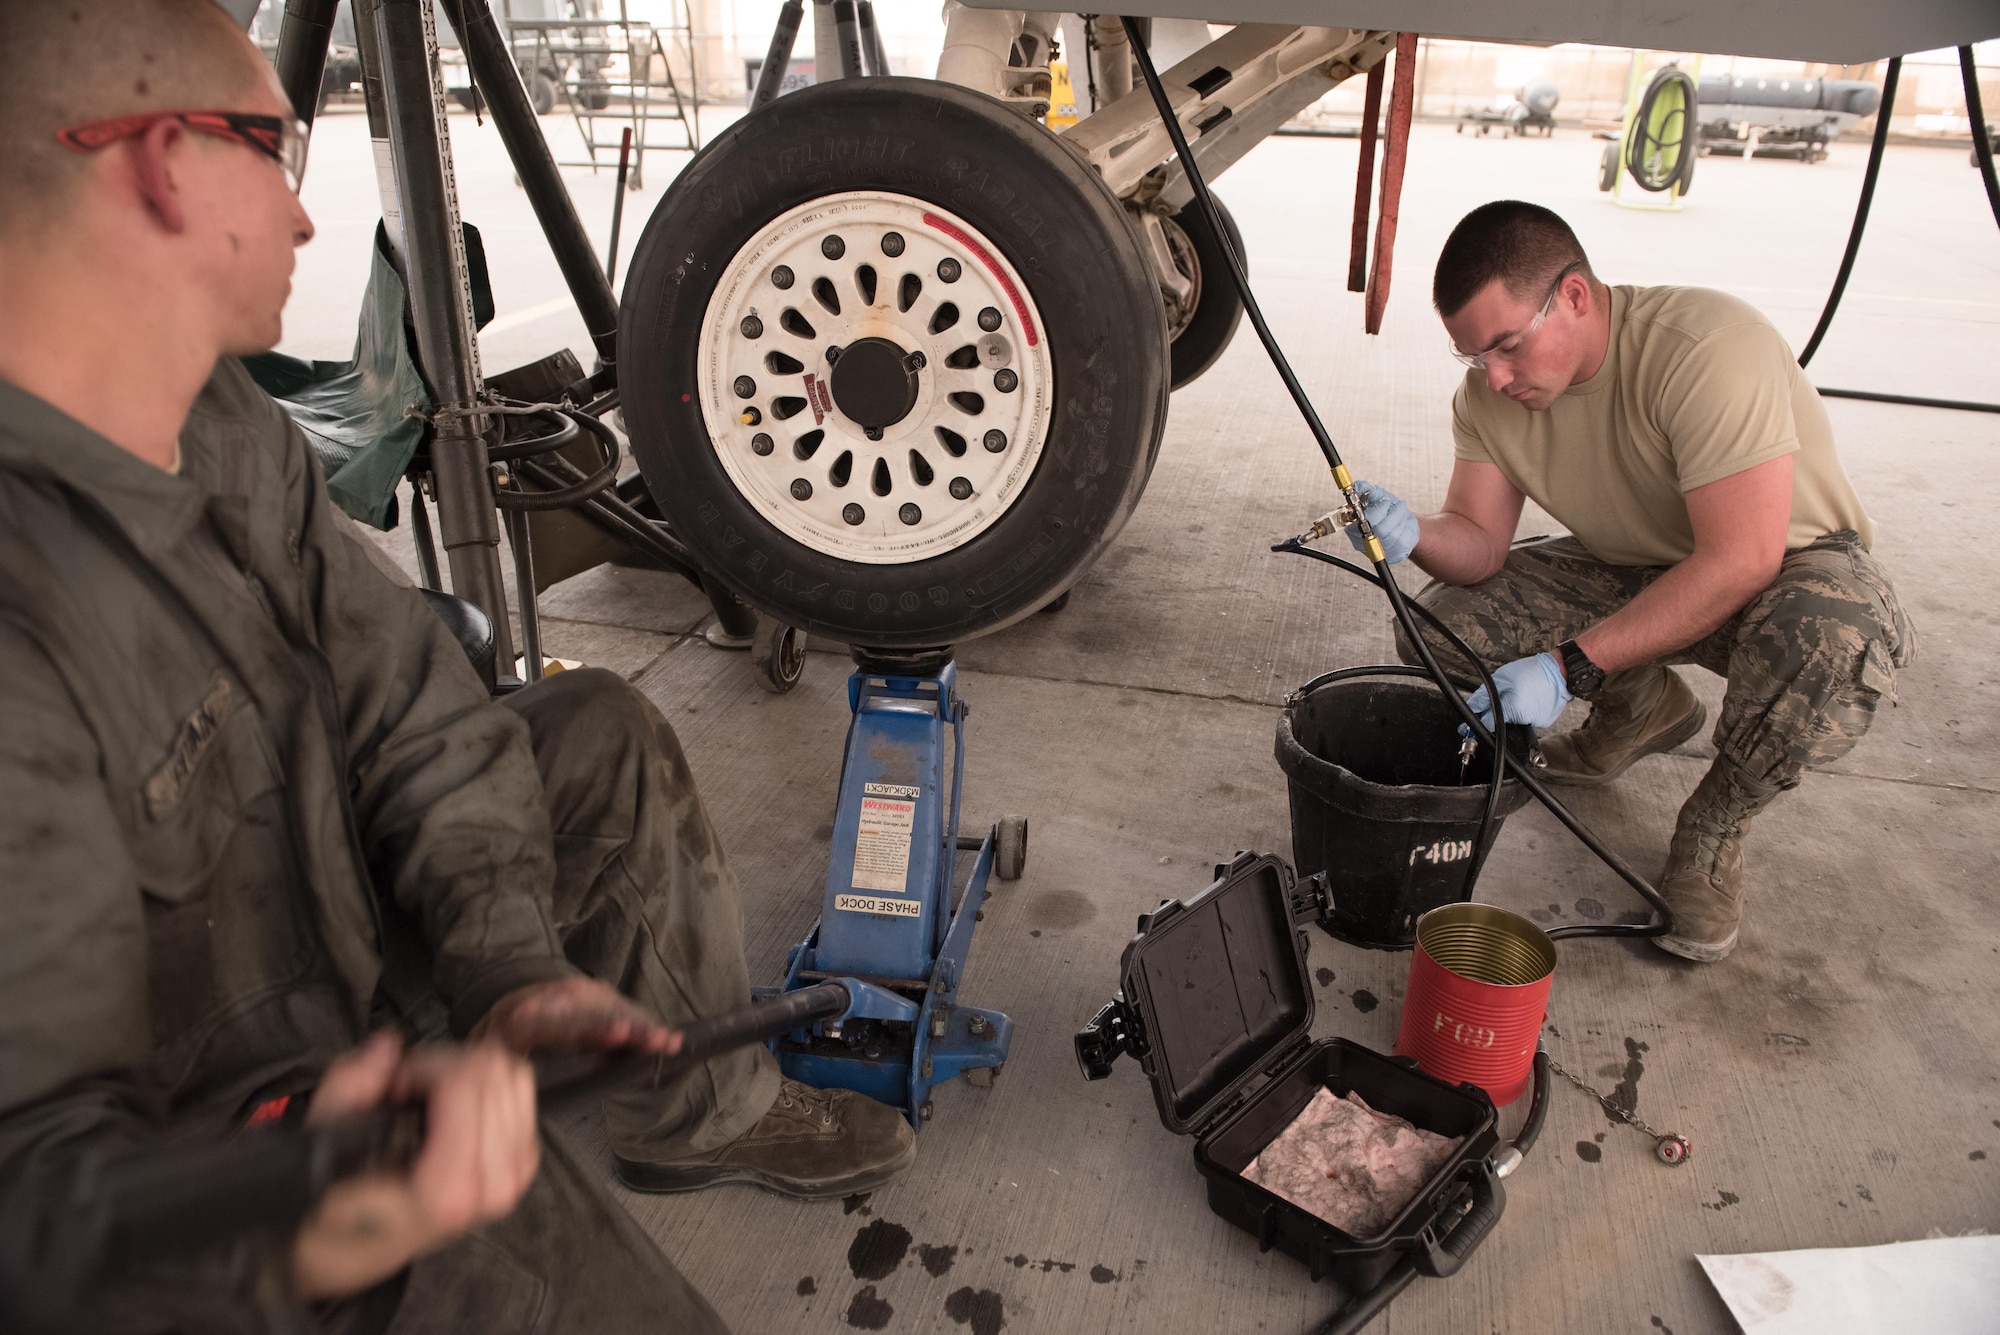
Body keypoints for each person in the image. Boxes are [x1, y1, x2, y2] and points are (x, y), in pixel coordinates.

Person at [0, 2, 913, 1330]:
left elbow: (409, 703)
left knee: (591, 728)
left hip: (343, 928)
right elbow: (40, 1199)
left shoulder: (218, 424)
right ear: (161, 160)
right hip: (240, 1160)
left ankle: (694, 1114)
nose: (307, 218)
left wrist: (513, 968)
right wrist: (321, 1218)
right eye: (277, 147)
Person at [1343, 200, 1914, 963]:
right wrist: (1410, 533)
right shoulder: (1490, 396)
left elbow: (1741, 559)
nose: (1496, 376)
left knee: (1833, 639)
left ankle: (1713, 831)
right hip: (1636, 566)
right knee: (1443, 628)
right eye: (1475, 357)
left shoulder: (1707, 347)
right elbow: (1479, 545)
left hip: (1785, 576)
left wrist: (1566, 666)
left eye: (1508, 345)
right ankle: (1640, 710)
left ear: (1574, 296)